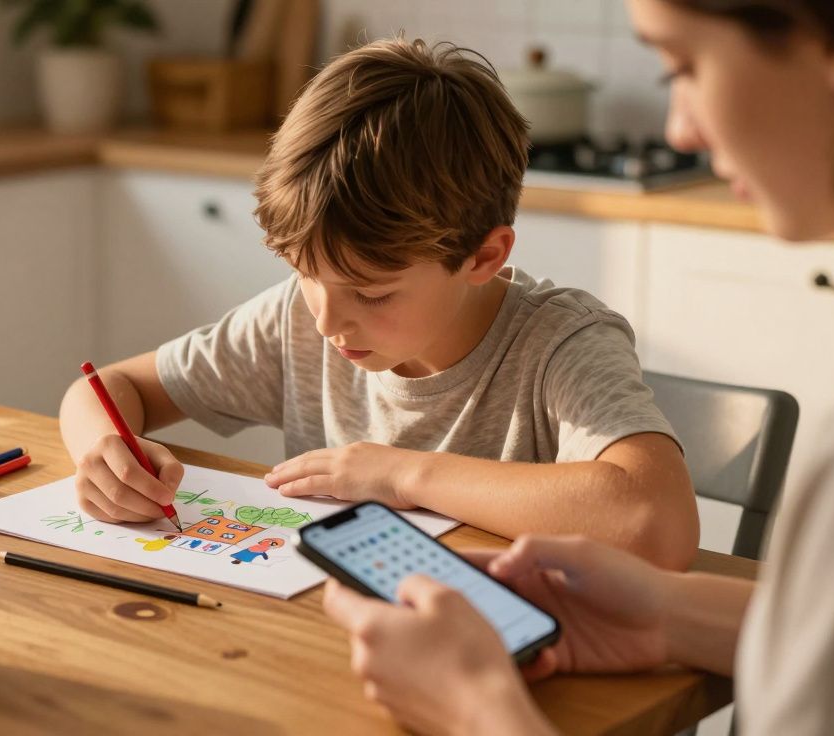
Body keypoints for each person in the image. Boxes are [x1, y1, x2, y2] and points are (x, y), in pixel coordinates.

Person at [322, 1, 834, 733]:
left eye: (683, 65)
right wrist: (670, 615)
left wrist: (476, 709)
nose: (679, 129)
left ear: (826, 44)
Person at [59, 38, 698, 569]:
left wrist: (400, 476)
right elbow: (105, 389)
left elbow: (654, 521)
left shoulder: (561, 345)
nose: (326, 320)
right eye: (306, 274)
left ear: (482, 257)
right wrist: (104, 452)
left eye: (371, 293)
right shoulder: (293, 322)